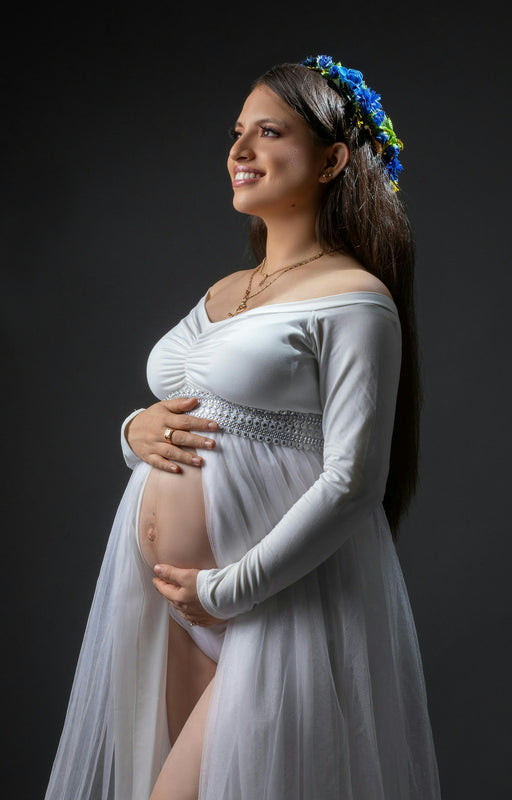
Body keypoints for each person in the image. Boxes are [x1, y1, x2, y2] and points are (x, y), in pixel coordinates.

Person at [45, 54, 441, 799]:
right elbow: (184, 398)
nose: (239, 151)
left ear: (330, 160)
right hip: (167, 598)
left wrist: (229, 589)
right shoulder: (227, 289)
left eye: (268, 132)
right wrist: (132, 429)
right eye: (236, 133)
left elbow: (355, 483)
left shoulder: (355, 300)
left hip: (270, 602)